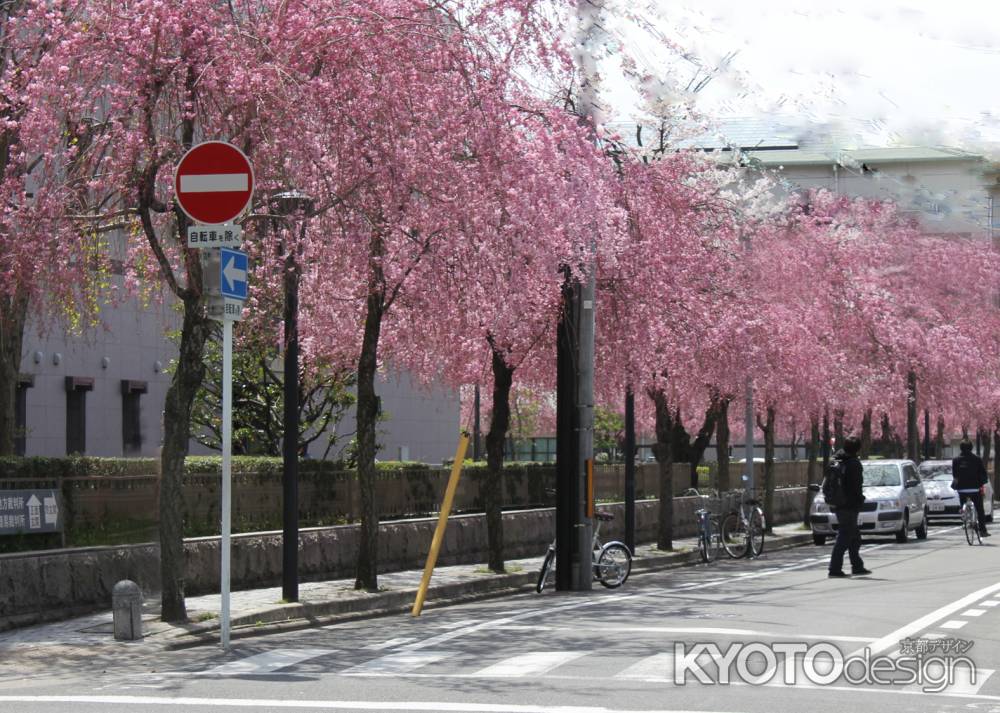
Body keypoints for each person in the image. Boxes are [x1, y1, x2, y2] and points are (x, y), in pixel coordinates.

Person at [829, 435, 872, 578]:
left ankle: (857, 566)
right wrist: (860, 499)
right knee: (844, 536)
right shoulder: (854, 464)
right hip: (849, 504)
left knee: (854, 537)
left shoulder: (837, 460)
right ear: (857, 449)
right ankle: (834, 568)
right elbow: (856, 486)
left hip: (838, 502)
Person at [952, 439, 990, 537]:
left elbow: (954, 474)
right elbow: (983, 473)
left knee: (963, 502)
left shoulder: (956, 460)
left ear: (961, 448)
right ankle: (983, 531)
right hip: (975, 488)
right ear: (971, 448)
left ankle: (964, 514)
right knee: (980, 509)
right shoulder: (977, 459)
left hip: (962, 489)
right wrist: (982, 482)